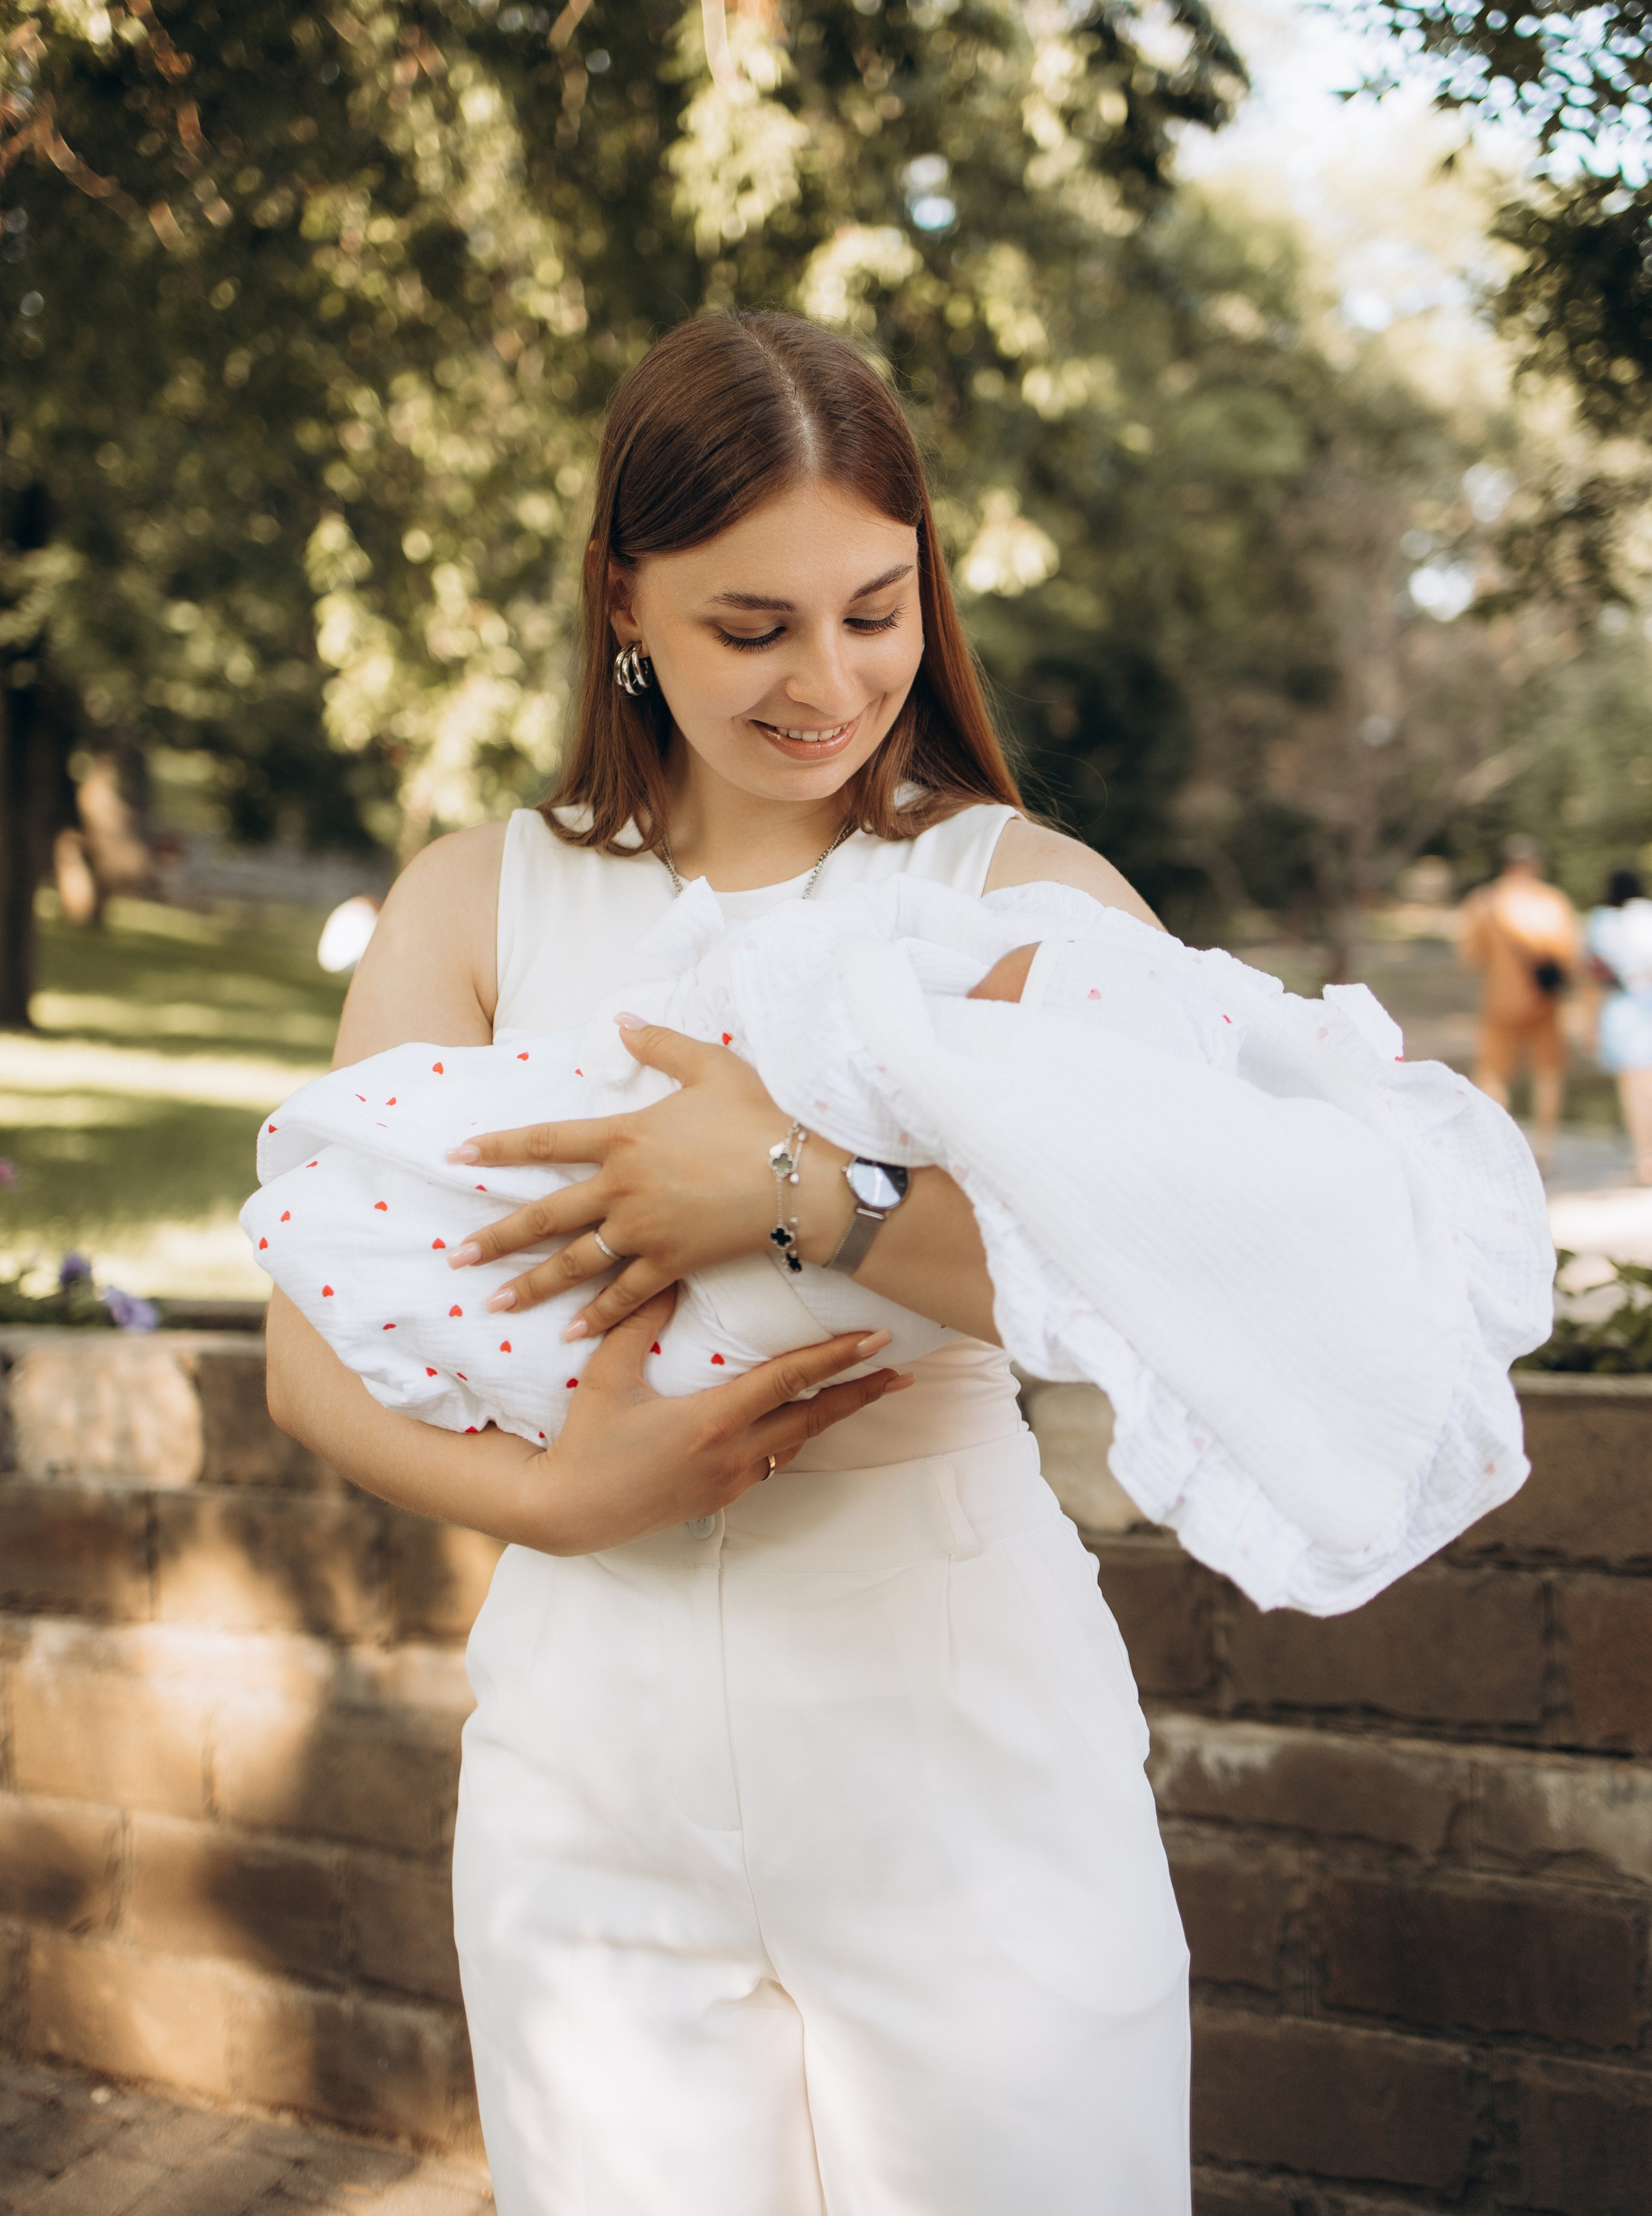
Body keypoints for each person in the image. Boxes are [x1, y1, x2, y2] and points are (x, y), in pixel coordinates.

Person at [264, 313, 1548, 2215]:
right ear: (623, 600)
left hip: (958, 1746)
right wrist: (569, 1498)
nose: (831, 677)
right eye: (750, 624)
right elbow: (308, 1358)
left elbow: (1198, 1276)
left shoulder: (1015, 893)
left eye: (874, 606)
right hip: (584, 1757)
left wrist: (803, 1191)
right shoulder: (479, 894)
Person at [1458, 835, 1581, 1171]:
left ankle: (1499, 1147)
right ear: (1536, 865)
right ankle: (1544, 1149)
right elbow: (1569, 956)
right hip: (1546, 1003)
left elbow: (1470, 955)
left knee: (1494, 1073)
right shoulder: (1553, 902)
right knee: (1548, 1073)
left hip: (1500, 1001)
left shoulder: (1484, 902)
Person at [1586, 867, 1652, 1184]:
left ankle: (1644, 1158)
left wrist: (1589, 1023)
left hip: (1621, 1008)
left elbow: (1595, 976)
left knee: (1633, 1088)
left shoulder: (1601, 922)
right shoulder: (1648, 916)